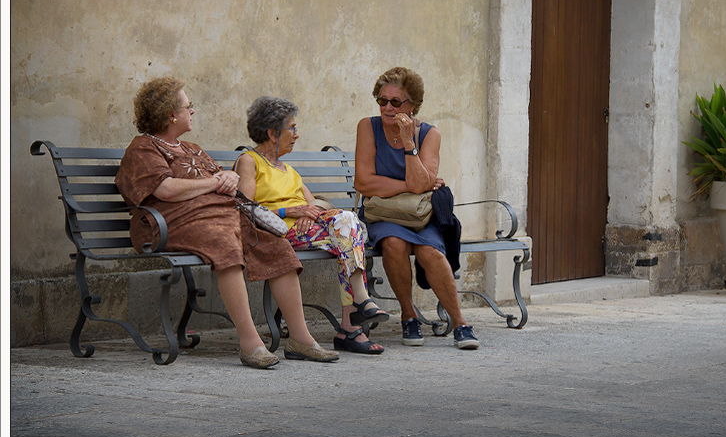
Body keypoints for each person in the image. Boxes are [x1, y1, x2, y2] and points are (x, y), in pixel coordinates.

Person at [115, 77, 339, 369]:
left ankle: (300, 339)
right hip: (171, 223)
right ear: (171, 114)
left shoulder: (192, 148)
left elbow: (225, 180)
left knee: (273, 241)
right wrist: (214, 182)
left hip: (220, 215)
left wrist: (227, 178)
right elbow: (165, 189)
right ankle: (250, 343)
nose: (192, 111)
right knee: (224, 243)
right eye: (187, 106)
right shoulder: (144, 148)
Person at [236, 96, 387, 355]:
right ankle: (351, 322)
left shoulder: (288, 169)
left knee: (349, 225)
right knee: (350, 235)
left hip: (308, 229)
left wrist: (309, 213)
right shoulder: (251, 161)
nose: (296, 134)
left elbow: (319, 204)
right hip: (278, 231)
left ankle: (354, 315)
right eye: (291, 128)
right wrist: (290, 210)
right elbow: (245, 207)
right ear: (272, 133)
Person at [354, 66, 479, 350]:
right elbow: (363, 182)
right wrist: (411, 185)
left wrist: (409, 142)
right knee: (394, 243)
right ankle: (408, 315)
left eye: (395, 102)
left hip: (421, 215)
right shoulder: (367, 127)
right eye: (382, 100)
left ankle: (459, 321)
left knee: (430, 252)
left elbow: (423, 183)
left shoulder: (429, 134)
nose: (387, 107)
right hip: (383, 213)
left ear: (412, 105)